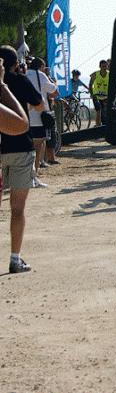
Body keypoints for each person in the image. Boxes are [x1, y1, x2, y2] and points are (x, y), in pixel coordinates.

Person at [0, 45, 44, 273]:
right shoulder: (20, 80)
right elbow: (39, 104)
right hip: (19, 145)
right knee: (17, 208)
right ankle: (15, 259)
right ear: (16, 63)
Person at [24, 58, 58, 185]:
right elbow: (54, 92)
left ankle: (25, 175)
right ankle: (33, 176)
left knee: (26, 148)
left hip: (24, 116)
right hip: (38, 117)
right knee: (38, 146)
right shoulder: (41, 75)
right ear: (41, 67)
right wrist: (53, 81)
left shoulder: (24, 74)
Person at [89, 60, 110, 126]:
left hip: (105, 96)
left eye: (106, 66)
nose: (104, 68)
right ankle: (98, 125)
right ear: (100, 66)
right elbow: (90, 84)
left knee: (105, 111)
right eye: (103, 66)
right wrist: (92, 94)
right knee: (98, 110)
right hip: (96, 96)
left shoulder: (109, 74)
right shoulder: (95, 74)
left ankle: (104, 125)